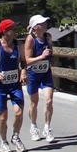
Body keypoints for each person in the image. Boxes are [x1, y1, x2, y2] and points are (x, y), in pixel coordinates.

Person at [0, 18, 28, 152]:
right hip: (0, 87)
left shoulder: (19, 45)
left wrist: (23, 73)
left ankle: (16, 137)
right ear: (5, 32)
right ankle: (3, 141)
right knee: (3, 117)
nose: (15, 31)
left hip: (15, 85)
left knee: (19, 112)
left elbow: (24, 62)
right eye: (13, 29)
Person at [24, 14, 55, 142]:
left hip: (46, 73)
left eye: (45, 22)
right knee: (34, 102)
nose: (45, 25)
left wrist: (51, 58)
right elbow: (27, 60)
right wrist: (41, 57)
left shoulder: (48, 37)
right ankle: (33, 127)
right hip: (33, 75)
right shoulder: (30, 39)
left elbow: (51, 51)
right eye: (42, 23)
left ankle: (47, 127)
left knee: (48, 101)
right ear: (36, 27)